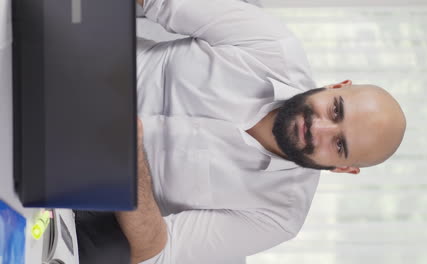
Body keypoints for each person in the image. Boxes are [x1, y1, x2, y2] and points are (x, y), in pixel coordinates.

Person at [116, 0, 407, 263]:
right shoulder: (273, 43)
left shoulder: (279, 216)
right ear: (336, 87)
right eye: (335, 110)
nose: (317, 127)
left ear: (343, 168)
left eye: (339, 144)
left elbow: (156, 253)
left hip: (87, 178)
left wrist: (129, 162)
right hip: (88, 60)